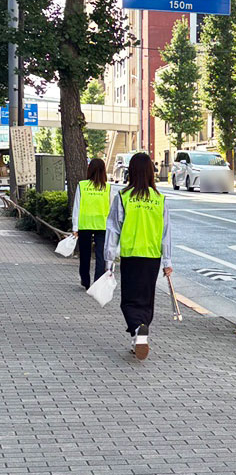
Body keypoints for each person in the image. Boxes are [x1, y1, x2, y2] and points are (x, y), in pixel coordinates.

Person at [104, 152, 173, 359]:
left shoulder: (123, 197)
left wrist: (108, 260)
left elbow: (113, 229)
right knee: (146, 298)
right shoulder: (160, 199)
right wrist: (167, 261)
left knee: (129, 299)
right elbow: (166, 233)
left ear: (131, 172)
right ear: (151, 173)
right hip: (152, 256)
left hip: (131, 255)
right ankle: (139, 335)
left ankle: (137, 327)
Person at [71, 157, 111, 289]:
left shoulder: (82, 186)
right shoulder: (107, 188)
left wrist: (75, 227)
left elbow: (76, 207)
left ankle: (85, 280)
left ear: (90, 170)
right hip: (102, 225)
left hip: (85, 224)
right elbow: (111, 208)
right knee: (100, 255)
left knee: (85, 254)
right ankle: (98, 281)